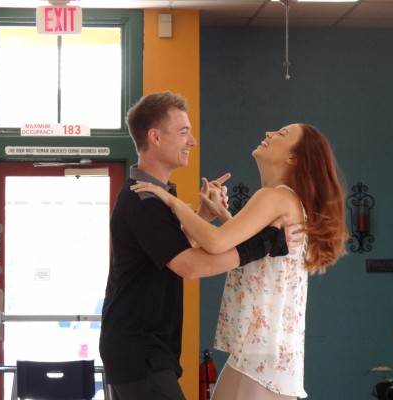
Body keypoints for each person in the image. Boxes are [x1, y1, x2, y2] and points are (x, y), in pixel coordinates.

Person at [99, 91, 296, 400]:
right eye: (183, 132)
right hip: (139, 350)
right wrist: (267, 243)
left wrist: (204, 216)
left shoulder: (153, 197)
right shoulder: (143, 199)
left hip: (142, 349)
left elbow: (169, 252)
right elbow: (190, 266)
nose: (192, 141)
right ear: (155, 137)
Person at [131, 122, 349, 399]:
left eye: (281, 134)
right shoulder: (286, 200)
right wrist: (223, 214)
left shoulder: (273, 197)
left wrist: (171, 202)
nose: (269, 133)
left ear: (293, 158)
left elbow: (216, 243)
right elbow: (258, 255)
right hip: (274, 352)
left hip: (260, 353)